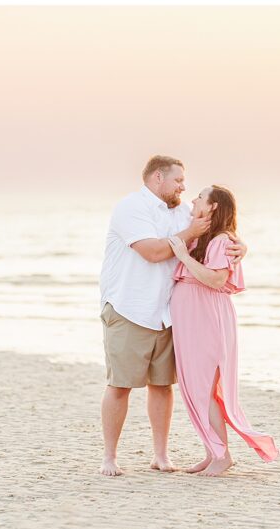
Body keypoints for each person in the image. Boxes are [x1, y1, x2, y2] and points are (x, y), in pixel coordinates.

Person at [98, 156, 247, 477]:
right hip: (130, 308)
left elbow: (215, 233)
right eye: (178, 180)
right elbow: (152, 252)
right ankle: (109, 457)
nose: (184, 186)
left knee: (162, 385)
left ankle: (160, 455)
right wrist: (188, 232)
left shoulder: (181, 211)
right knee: (120, 385)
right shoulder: (130, 208)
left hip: (168, 313)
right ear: (157, 178)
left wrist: (240, 245)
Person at [167, 185, 278, 476]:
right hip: (194, 317)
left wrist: (184, 257)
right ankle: (212, 451)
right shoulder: (204, 235)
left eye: (200, 197)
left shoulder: (220, 241)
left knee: (205, 388)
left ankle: (221, 455)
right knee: (198, 387)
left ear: (214, 207)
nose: (193, 199)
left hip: (207, 317)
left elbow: (216, 280)